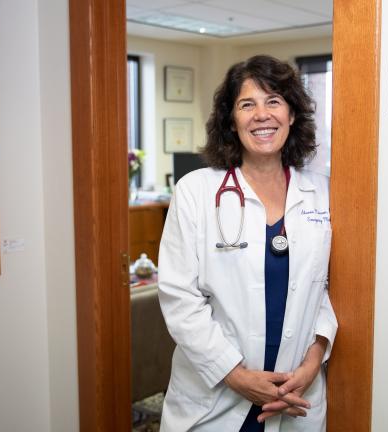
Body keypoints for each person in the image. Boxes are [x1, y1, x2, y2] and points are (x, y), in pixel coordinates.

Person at [157, 55, 337, 432]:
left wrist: (312, 362)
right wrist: (236, 376)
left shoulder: (322, 192)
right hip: (216, 398)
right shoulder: (196, 191)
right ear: (231, 120)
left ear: (291, 114)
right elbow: (179, 297)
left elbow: (330, 291)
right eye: (246, 104)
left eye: (274, 101)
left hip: (295, 394)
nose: (262, 115)